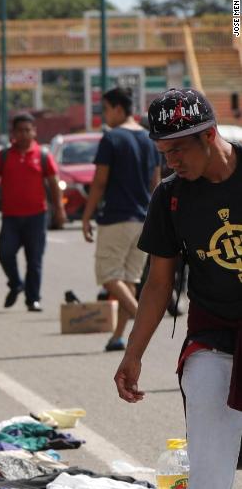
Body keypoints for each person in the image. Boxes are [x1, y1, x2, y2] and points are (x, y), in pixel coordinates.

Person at [115, 88, 242, 489]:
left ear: (210, 135)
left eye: (179, 150)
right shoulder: (171, 197)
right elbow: (158, 284)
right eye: (163, 152)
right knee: (208, 449)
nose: (171, 161)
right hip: (213, 333)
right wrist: (133, 353)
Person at [81, 86, 160, 351]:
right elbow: (156, 182)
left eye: (105, 109)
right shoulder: (150, 139)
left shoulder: (112, 138)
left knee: (108, 275)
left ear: (117, 108)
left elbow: (100, 182)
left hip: (116, 218)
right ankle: (117, 337)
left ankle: (143, 321)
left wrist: (87, 215)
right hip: (143, 218)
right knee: (129, 279)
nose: (104, 115)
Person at [0, 112, 66, 311]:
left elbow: (53, 183)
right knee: (4, 253)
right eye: (20, 130)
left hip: (37, 215)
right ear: (13, 133)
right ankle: (15, 283)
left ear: (34, 132)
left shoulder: (43, 156)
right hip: (10, 216)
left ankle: (33, 299)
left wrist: (59, 209)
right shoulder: (3, 156)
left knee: (34, 259)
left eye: (28, 130)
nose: (24, 134)